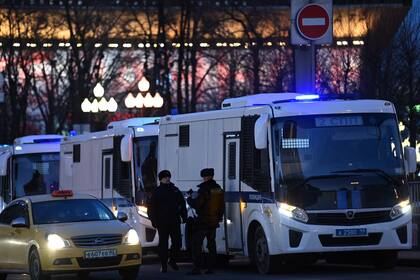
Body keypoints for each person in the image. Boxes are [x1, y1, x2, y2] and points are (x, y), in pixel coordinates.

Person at [148, 170, 187, 273]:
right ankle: (164, 264)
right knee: (163, 245)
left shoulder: (175, 190)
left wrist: (184, 217)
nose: (167, 179)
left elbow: (182, 204)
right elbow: (151, 208)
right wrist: (154, 221)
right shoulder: (157, 192)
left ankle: (172, 260)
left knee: (177, 243)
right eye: (165, 177)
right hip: (162, 223)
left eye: (168, 177)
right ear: (161, 179)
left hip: (174, 221)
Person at [187, 168, 224, 275]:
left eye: (204, 177)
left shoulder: (204, 190)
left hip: (203, 221)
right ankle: (211, 268)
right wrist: (219, 217)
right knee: (211, 244)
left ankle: (197, 268)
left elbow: (197, 204)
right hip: (214, 221)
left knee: (196, 244)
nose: (203, 179)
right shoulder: (218, 189)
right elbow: (221, 206)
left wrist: (189, 199)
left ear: (205, 177)